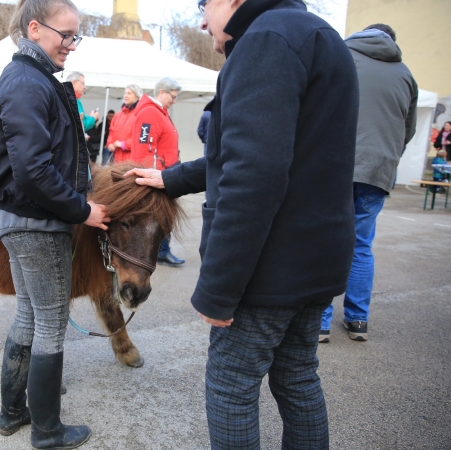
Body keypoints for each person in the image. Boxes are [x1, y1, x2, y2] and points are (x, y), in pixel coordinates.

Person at [126, 0, 359, 447]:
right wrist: (171, 177)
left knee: (231, 384)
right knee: (297, 377)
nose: (200, 18)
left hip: (270, 267)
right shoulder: (316, 34)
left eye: (203, 4)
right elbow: (270, 152)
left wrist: (219, 290)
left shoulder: (265, 41)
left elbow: (254, 175)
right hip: (315, 257)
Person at [0, 1, 109, 448]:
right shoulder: (27, 83)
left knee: (29, 316)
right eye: (66, 35)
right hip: (37, 222)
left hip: (24, 220)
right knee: (51, 323)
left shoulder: (29, 78)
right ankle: (48, 431)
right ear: (34, 28)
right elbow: (33, 170)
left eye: (77, 37)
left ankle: (12, 413)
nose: (72, 45)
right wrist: (82, 209)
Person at [320, 23, 418, 343]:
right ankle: (357, 319)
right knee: (361, 244)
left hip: (336, 164)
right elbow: (408, 130)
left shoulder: (340, 55)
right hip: (378, 170)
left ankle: (319, 322)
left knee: (325, 239)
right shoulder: (405, 74)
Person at [129, 77, 184, 266]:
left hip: (166, 172)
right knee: (159, 217)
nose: (174, 101)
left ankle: (161, 250)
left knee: (162, 216)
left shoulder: (160, 112)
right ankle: (160, 251)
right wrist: (151, 176)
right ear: (162, 92)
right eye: (173, 97)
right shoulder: (150, 114)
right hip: (160, 174)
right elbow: (144, 149)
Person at [106, 84, 142, 164]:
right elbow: (111, 132)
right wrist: (110, 143)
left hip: (131, 161)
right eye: (125, 93)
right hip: (116, 159)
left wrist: (123, 144)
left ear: (137, 96)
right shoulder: (118, 115)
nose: (125, 96)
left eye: (129, 93)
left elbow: (140, 138)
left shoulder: (140, 114)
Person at [67, 71, 99, 148]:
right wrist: (93, 118)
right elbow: (81, 124)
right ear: (74, 83)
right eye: (83, 83)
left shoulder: (72, 99)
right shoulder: (72, 100)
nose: (85, 87)